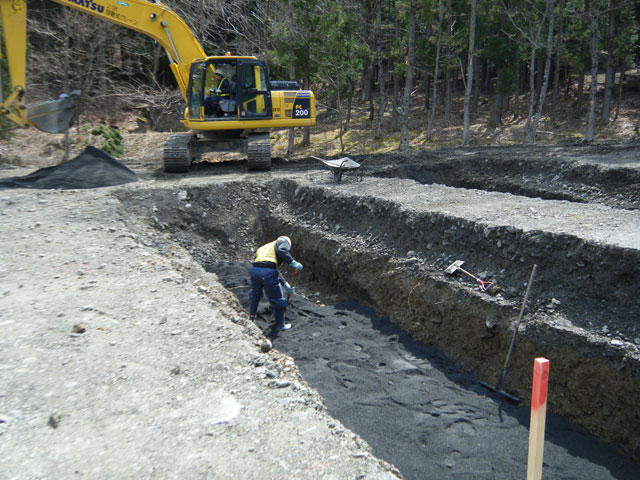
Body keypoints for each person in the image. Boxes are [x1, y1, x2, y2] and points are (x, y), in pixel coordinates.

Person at [249, 236, 303, 331]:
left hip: (255, 271)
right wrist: (293, 262)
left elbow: (270, 266)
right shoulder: (283, 242)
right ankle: (280, 325)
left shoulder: (264, 247)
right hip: (268, 273)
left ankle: (251, 318)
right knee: (278, 300)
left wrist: (285, 284)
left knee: (255, 295)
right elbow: (282, 251)